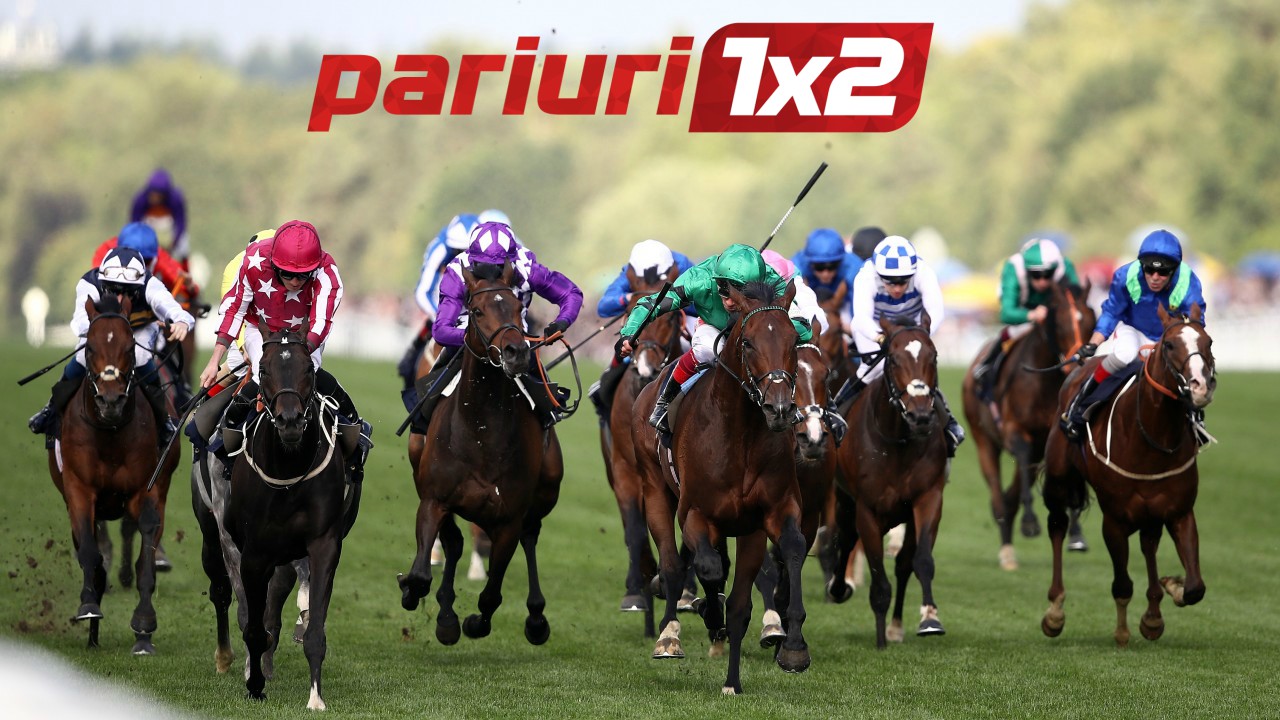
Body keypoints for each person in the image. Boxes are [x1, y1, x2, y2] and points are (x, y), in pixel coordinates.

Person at [197, 220, 372, 482]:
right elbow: (234, 310)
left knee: (307, 374)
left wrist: (300, 354)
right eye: (287, 274)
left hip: (304, 334)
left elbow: (321, 322)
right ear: (273, 264)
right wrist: (215, 360)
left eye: (303, 276)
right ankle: (227, 446)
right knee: (263, 374)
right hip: (261, 331)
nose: (295, 281)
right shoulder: (253, 261)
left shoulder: (328, 273)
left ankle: (353, 434)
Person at [617, 243, 814, 435]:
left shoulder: (771, 282)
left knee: (775, 344)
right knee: (708, 349)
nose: (729, 301)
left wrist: (769, 330)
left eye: (741, 293)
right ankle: (666, 399)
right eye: (724, 290)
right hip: (713, 325)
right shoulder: (698, 279)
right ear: (716, 279)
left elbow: (804, 330)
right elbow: (651, 304)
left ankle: (787, 400)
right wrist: (629, 333)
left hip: (755, 330)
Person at [415, 221, 583, 430]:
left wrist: (561, 322)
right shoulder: (457, 271)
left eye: (497, 268)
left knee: (539, 385)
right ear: (472, 258)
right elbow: (441, 330)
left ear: (510, 261)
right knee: (432, 389)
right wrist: (470, 337)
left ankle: (548, 418)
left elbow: (570, 294)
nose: (490, 275)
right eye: (483, 267)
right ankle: (422, 422)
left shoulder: (526, 268)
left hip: (514, 330)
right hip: (469, 329)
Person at [28, 245, 194, 448]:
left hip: (139, 329)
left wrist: (181, 322)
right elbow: (80, 322)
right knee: (81, 357)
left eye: (128, 292)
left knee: (141, 356)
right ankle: (51, 409)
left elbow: (175, 310)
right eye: (113, 289)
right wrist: (104, 334)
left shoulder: (151, 285)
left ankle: (163, 419)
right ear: (103, 281)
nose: (120, 298)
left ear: (139, 285)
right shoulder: (89, 283)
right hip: (100, 329)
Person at [1060, 229, 1208, 440]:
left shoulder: (1188, 282)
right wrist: (1093, 343)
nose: (1155, 277)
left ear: (1174, 270)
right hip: (1132, 329)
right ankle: (1081, 404)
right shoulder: (1125, 276)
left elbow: (1195, 322)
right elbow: (1112, 312)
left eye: (1163, 272)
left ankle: (1195, 418)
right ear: (1141, 265)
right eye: (1149, 269)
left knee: (1184, 366)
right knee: (1125, 356)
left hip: (1167, 336)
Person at [837, 235, 965, 457]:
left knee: (918, 370)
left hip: (912, 327)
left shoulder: (924, 272)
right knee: (874, 368)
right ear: (879, 275)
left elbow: (935, 312)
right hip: (875, 328)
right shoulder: (866, 276)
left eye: (903, 281)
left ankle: (949, 424)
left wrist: (919, 335)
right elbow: (861, 318)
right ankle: (835, 413)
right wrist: (881, 339)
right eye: (890, 282)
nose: (897, 288)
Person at [588, 239, 696, 423]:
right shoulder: (630, 269)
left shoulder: (682, 265)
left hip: (675, 323)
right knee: (626, 349)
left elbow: (702, 300)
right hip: (643, 326)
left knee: (703, 350)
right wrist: (630, 297)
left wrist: (675, 302)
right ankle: (606, 393)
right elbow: (604, 306)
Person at [973, 238, 1080, 399]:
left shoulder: (1065, 267)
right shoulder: (1014, 268)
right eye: (1036, 275)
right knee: (1013, 331)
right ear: (1027, 270)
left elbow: (1077, 303)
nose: (1042, 281)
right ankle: (987, 366)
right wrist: (1032, 315)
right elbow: (1006, 313)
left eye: (1048, 274)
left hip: (1054, 316)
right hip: (1024, 315)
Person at [398, 214, 481, 409]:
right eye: (458, 251)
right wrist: (442, 319)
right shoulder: (439, 249)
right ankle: (418, 416)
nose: (463, 256)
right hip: (440, 311)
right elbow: (422, 292)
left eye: (467, 251)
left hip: (475, 316)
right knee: (408, 366)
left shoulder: (486, 251)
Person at [791, 228, 859, 331]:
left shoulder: (854, 268)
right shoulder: (797, 266)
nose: (825, 274)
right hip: (809, 304)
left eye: (832, 266)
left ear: (841, 261)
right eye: (819, 267)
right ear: (809, 262)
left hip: (843, 305)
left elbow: (859, 311)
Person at [130, 168, 190, 268]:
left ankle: (185, 270)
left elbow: (181, 223)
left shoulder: (175, 199)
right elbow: (134, 224)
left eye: (158, 195)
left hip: (169, 227)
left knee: (183, 244)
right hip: (149, 226)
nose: (154, 198)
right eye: (152, 194)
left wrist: (174, 242)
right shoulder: (141, 199)